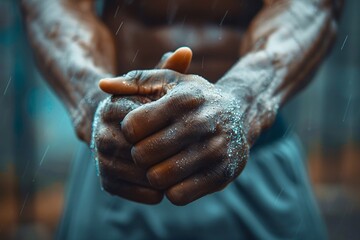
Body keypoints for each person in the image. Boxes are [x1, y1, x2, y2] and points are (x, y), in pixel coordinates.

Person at [21, 0, 343, 239]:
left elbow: (313, 7)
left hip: (255, 151)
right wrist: (94, 104)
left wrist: (244, 103)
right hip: (119, 159)